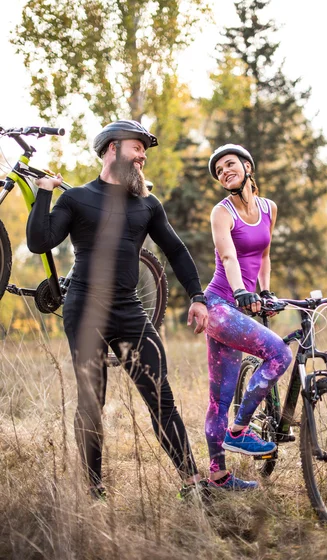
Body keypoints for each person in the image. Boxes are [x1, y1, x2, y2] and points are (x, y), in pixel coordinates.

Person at [26, 120, 209, 499]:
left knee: (162, 397)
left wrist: (197, 296)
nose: (143, 155)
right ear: (112, 148)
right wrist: (44, 194)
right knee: (92, 401)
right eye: (137, 147)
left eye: (145, 150)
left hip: (129, 310)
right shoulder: (76, 198)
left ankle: (193, 482)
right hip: (84, 308)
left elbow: (176, 250)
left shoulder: (147, 203)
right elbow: (39, 240)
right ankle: (94, 488)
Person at [204, 143, 292, 490]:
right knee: (279, 355)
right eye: (219, 171)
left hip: (243, 302)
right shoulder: (221, 213)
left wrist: (265, 290)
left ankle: (218, 477)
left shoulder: (269, 208)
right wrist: (242, 290)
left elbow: (264, 254)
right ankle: (239, 430)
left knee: (219, 398)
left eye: (230, 165)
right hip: (220, 305)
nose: (225, 171)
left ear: (247, 167)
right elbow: (229, 257)